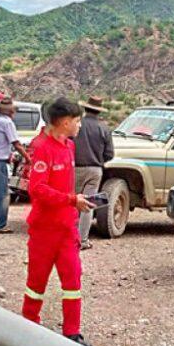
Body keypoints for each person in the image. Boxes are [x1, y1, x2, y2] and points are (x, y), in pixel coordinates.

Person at [21, 97, 94, 346]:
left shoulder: (69, 147)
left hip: (66, 228)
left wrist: (74, 203)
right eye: (77, 121)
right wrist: (72, 200)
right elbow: (37, 188)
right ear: (64, 123)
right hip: (44, 229)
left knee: (73, 279)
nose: (79, 126)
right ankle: (29, 325)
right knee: (36, 281)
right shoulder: (42, 147)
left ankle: (72, 332)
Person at [0, 97, 30, 233]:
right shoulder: (7, 123)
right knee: (2, 195)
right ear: (11, 112)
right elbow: (16, 144)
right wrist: (28, 158)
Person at [73, 95, 113, 250]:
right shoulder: (104, 128)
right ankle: (83, 240)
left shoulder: (77, 125)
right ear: (99, 112)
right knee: (88, 204)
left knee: (73, 202)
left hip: (75, 168)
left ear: (85, 108)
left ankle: (68, 237)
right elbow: (110, 154)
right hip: (95, 170)